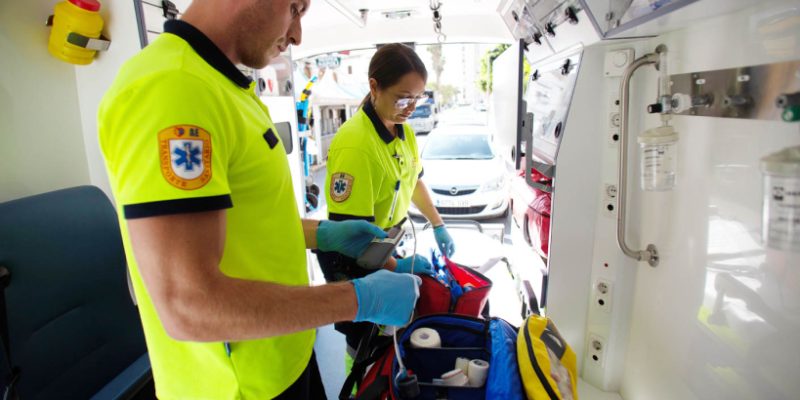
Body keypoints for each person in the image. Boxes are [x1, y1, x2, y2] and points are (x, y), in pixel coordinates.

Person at [97, 1, 421, 398]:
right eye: (294, 8)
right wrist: (359, 299)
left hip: (283, 351)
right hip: (239, 386)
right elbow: (189, 305)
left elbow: (246, 224)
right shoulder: (173, 89)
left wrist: (323, 234)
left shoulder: (225, 86)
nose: (298, 34)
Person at [316, 43, 456, 362]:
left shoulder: (402, 130)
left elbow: (413, 178)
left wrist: (438, 225)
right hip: (354, 258)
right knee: (363, 343)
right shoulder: (356, 146)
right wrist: (398, 267)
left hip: (383, 247)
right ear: (374, 87)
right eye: (403, 97)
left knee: (392, 337)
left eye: (417, 98)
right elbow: (352, 240)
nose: (411, 107)